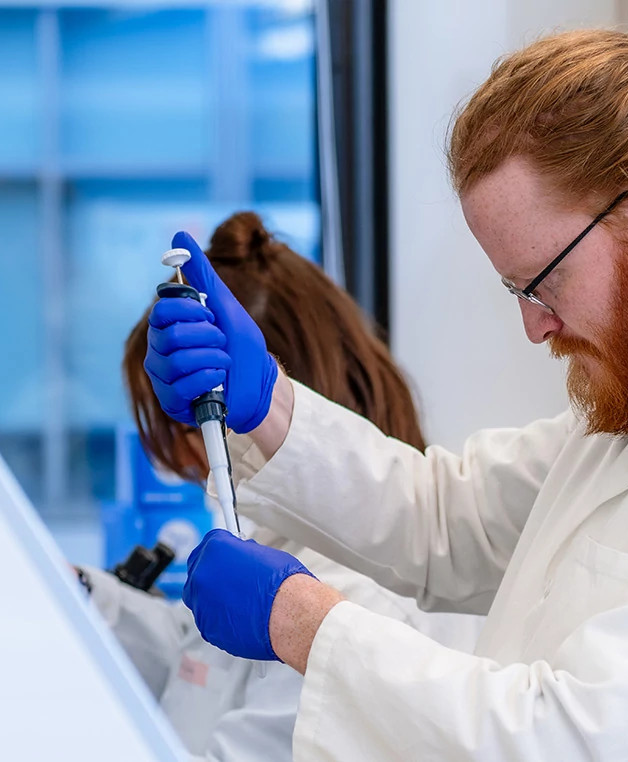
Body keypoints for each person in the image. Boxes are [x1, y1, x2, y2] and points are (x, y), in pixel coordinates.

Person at [143, 14, 628, 760]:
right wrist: (268, 407)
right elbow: (443, 521)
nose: (535, 327)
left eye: (541, 282)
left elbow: (580, 739)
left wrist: (303, 624)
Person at [86, 211, 479, 761]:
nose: (179, 465)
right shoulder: (273, 553)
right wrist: (82, 596)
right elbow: (197, 661)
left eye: (184, 431)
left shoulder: (351, 595)